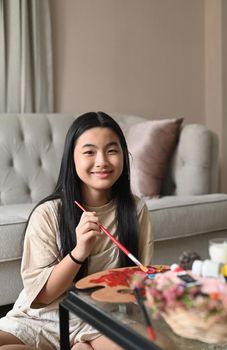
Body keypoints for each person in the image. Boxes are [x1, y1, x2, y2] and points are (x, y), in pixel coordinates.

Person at [0, 112, 153, 350]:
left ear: (124, 155)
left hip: (101, 318)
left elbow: (138, 282)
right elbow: (42, 298)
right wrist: (79, 252)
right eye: (90, 152)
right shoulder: (48, 213)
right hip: (43, 318)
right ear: (72, 159)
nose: (102, 161)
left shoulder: (135, 210)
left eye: (112, 150)